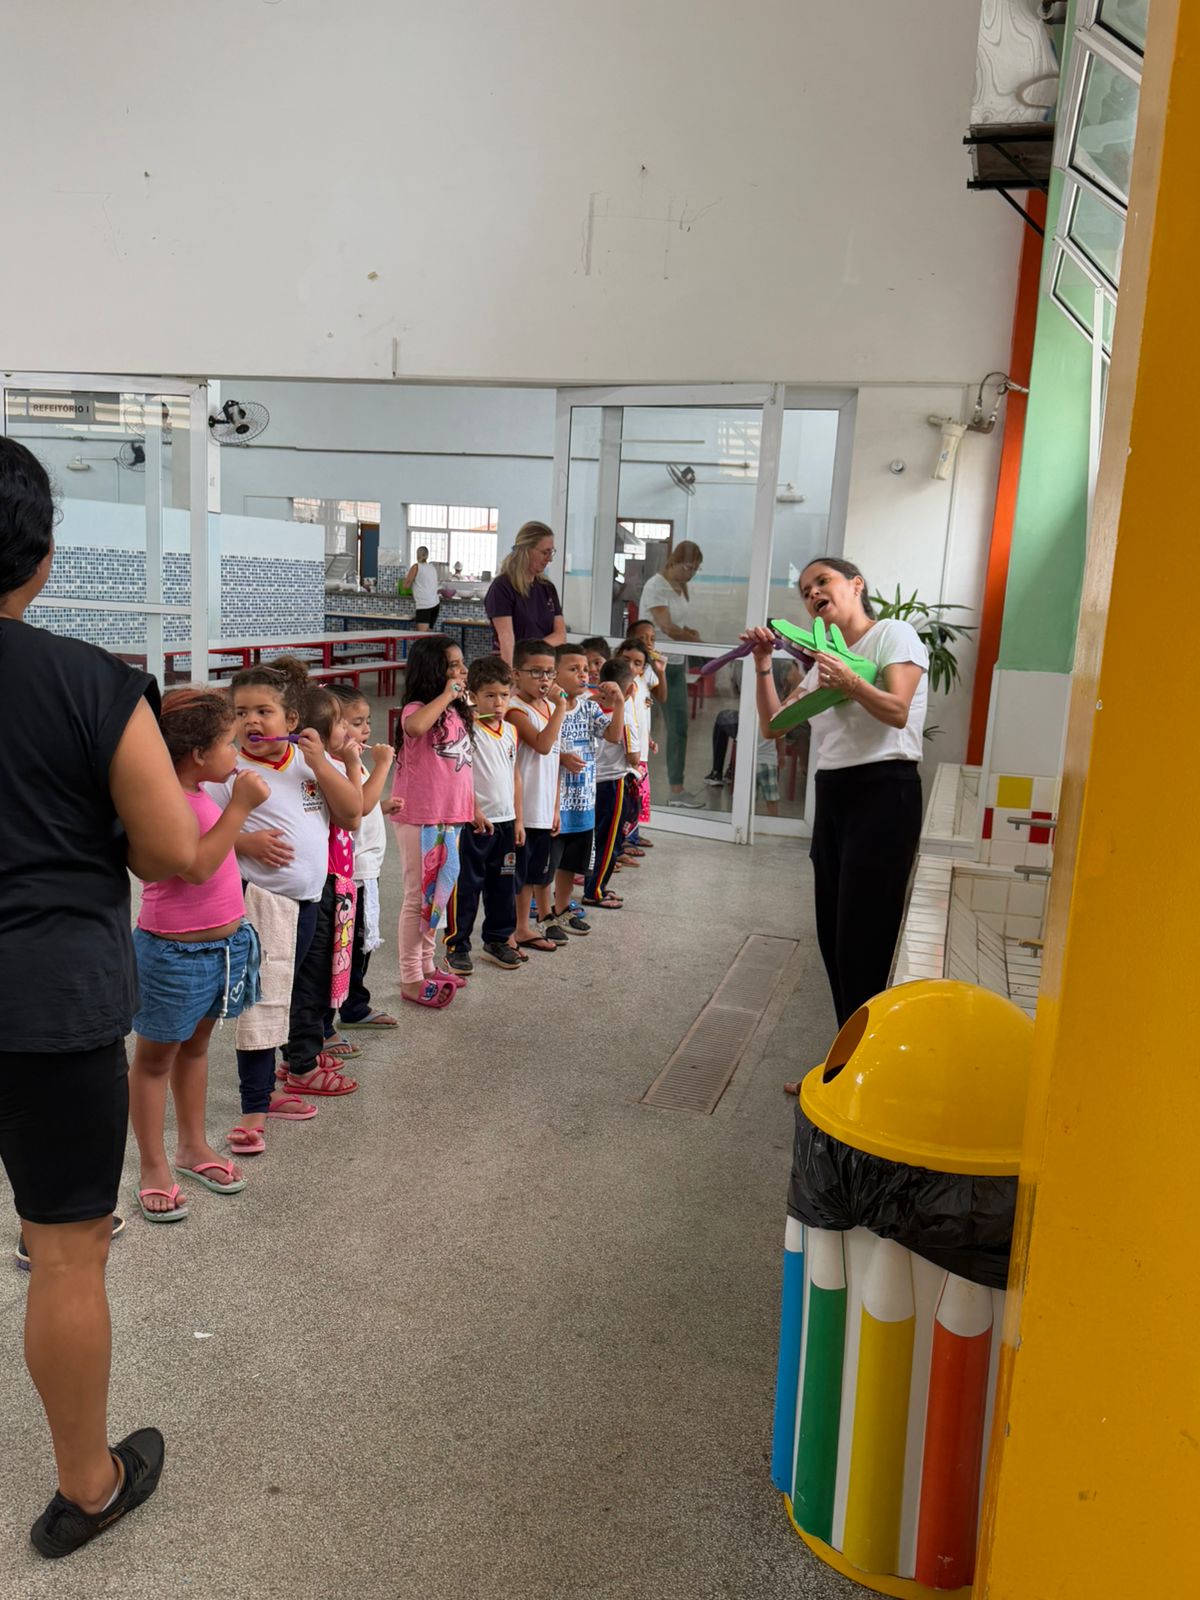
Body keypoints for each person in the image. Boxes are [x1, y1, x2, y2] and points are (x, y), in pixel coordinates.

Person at [0, 436, 198, 1557]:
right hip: (47, 1000)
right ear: (40, 556)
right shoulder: (91, 682)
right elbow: (168, 852)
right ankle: (88, 1484)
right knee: (66, 1248)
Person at [745, 556, 928, 1086]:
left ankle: (858, 1074)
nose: (812, 594)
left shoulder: (892, 635)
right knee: (833, 938)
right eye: (805, 590)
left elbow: (896, 709)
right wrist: (762, 664)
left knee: (862, 941)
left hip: (884, 790)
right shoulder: (823, 663)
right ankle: (847, 1065)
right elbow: (775, 725)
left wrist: (850, 682)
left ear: (856, 585)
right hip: (836, 796)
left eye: (822, 582)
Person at [129, 689, 269, 1222]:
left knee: (195, 1049)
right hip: (174, 955)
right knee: (154, 1061)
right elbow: (196, 867)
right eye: (229, 744)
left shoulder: (199, 790)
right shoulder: (164, 802)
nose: (237, 752)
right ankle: (153, 1165)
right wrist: (241, 808)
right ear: (197, 755)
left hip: (224, 948)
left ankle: (191, 1147)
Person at [216, 659, 361, 1156]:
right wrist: (243, 842)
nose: (251, 722)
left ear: (291, 719)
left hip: (310, 901)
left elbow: (351, 814)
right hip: (261, 904)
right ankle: (254, 1108)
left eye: (264, 711)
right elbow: (194, 828)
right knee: (262, 1002)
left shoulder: (306, 761)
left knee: (292, 994)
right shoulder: (228, 770)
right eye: (241, 713)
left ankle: (285, 1075)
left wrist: (322, 763)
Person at [274, 679, 364, 1096]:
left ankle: (301, 1051)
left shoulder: (321, 765)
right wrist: (345, 764)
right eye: (342, 723)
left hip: (333, 883)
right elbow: (355, 812)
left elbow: (352, 812)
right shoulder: (313, 767)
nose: (349, 730)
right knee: (308, 979)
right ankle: (302, 1063)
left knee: (321, 973)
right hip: (318, 885)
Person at [389, 635, 475, 1007]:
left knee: (437, 897)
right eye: (453, 665)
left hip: (450, 817)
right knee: (417, 897)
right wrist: (447, 694)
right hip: (420, 817)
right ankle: (410, 977)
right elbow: (415, 727)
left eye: (461, 663)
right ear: (433, 671)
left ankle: (427, 965)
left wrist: (473, 807)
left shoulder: (456, 711)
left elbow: (462, 767)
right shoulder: (418, 708)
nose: (462, 671)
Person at [322, 686, 397, 1035]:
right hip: (350, 873)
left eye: (367, 721)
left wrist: (382, 808)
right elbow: (360, 806)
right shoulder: (337, 765)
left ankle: (355, 1005)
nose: (367, 729)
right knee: (344, 947)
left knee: (360, 946)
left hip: (366, 869)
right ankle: (327, 1020)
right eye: (356, 723)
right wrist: (383, 765)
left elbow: (364, 806)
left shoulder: (351, 763)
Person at [444, 656, 525, 974]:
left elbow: (515, 775)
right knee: (467, 887)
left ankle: (497, 940)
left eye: (504, 694)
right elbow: (458, 776)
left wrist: (518, 819)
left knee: (503, 887)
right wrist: (474, 809)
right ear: (473, 696)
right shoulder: (467, 730)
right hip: (474, 823)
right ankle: (457, 945)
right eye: (490, 695)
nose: (499, 702)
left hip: (505, 822)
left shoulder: (511, 731)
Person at [546, 643, 624, 935]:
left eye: (585, 669)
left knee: (570, 862)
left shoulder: (589, 707)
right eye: (574, 669)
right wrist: (561, 758)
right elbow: (536, 746)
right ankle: (543, 912)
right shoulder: (548, 708)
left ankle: (562, 909)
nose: (584, 674)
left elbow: (613, 736)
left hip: (583, 801)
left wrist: (619, 704)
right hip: (554, 803)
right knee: (548, 862)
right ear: (554, 674)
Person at [639, 541, 705, 807]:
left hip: (675, 662)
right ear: (674, 562)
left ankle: (676, 789)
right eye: (688, 568)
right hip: (653, 663)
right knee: (639, 724)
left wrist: (689, 632)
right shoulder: (656, 586)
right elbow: (666, 627)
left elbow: (677, 625)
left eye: (696, 569)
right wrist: (696, 642)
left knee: (678, 726)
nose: (691, 574)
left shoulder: (681, 587)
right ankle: (634, 784)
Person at [583, 657, 640, 909]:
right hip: (613, 784)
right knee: (608, 842)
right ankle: (595, 891)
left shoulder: (588, 707)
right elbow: (634, 757)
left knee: (594, 838)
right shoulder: (624, 716)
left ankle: (595, 885)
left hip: (589, 782)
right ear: (631, 689)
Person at [484, 521, 566, 664]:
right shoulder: (502, 587)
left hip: (542, 664)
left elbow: (560, 636)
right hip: (514, 664)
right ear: (526, 550)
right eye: (545, 552)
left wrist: (529, 651)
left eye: (551, 552)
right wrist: (511, 674)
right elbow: (506, 640)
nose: (550, 558)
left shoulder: (547, 588)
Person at [405, 545, 441, 630]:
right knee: (428, 634)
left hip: (424, 605)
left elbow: (406, 586)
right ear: (427, 556)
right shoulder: (432, 567)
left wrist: (408, 580)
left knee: (422, 635)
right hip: (435, 604)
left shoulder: (416, 567)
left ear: (417, 555)